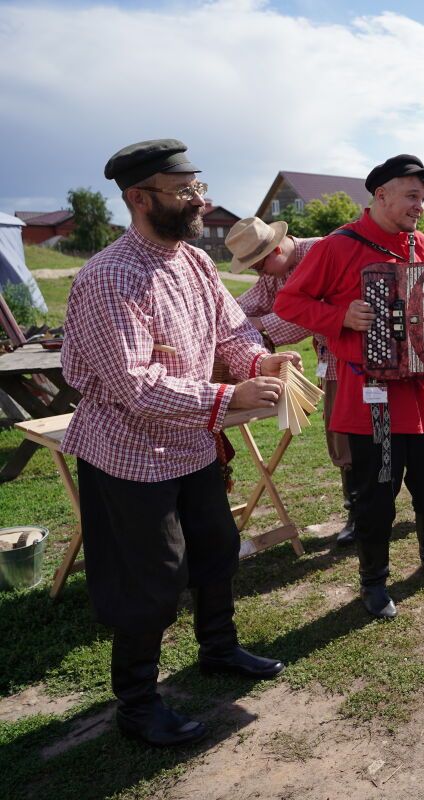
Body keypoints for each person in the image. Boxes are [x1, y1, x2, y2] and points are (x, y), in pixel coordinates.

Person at [61, 139, 292, 747]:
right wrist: (228, 400)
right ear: (139, 198)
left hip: (190, 444)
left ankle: (217, 649)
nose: (200, 200)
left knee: (216, 547)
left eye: (199, 186)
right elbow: (134, 386)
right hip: (130, 456)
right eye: (184, 191)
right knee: (150, 578)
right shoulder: (111, 276)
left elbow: (231, 328)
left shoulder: (193, 261)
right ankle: (136, 705)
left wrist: (258, 363)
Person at [274, 154, 424, 618]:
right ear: (381, 195)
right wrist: (339, 318)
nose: (419, 206)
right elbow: (290, 302)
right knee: (375, 499)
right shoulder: (336, 247)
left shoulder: (423, 246)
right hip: (369, 398)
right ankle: (374, 581)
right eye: (412, 196)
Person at [225, 218, 359, 545]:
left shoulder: (321, 252)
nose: (260, 273)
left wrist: (259, 323)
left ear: (276, 248)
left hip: (361, 355)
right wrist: (222, 321)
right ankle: (357, 512)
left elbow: (310, 315)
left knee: (396, 431)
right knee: (342, 438)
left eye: (260, 265)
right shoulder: (274, 271)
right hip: (333, 362)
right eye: (254, 268)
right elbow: (246, 305)